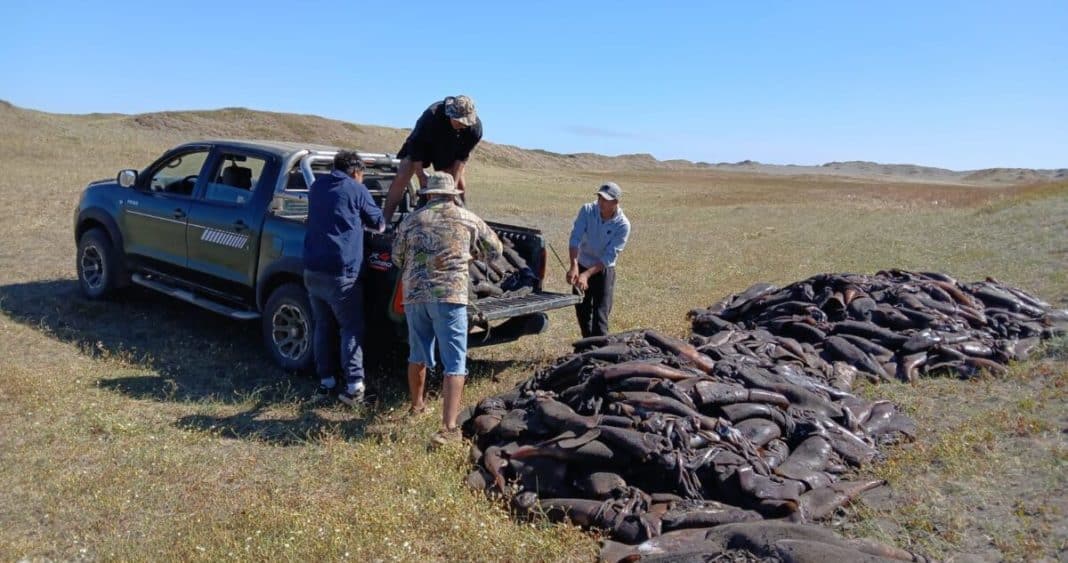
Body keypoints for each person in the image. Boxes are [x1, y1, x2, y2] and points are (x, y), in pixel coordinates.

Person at [392, 171, 502, 446]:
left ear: (428, 194)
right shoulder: (467, 217)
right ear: (452, 194)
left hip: (416, 295)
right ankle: (449, 426)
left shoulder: (411, 220)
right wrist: (472, 254)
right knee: (454, 361)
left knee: (417, 353)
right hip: (450, 296)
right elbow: (496, 251)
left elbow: (396, 257)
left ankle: (417, 406)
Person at [303, 150, 385, 406]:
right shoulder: (355, 189)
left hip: (312, 269)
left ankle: (326, 380)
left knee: (323, 325)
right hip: (342, 273)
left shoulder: (317, 186)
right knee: (350, 329)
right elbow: (379, 223)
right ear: (356, 172)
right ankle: (354, 388)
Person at [382, 95, 483, 223]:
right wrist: (421, 176)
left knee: (458, 183)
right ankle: (385, 221)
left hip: (448, 148)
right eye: (459, 121)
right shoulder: (432, 115)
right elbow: (416, 145)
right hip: (423, 145)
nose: (463, 125)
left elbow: (461, 158)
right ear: (450, 115)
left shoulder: (475, 129)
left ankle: (460, 220)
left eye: (466, 123)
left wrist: (452, 185)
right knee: (404, 171)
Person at [566, 182, 631, 338]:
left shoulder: (623, 225)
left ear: (615, 203)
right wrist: (574, 266)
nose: (600, 202)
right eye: (599, 198)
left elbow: (609, 257)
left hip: (603, 270)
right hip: (581, 263)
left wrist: (587, 275)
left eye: (605, 200)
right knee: (582, 309)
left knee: (601, 314)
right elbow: (575, 238)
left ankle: (600, 351)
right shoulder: (587, 210)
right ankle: (587, 347)